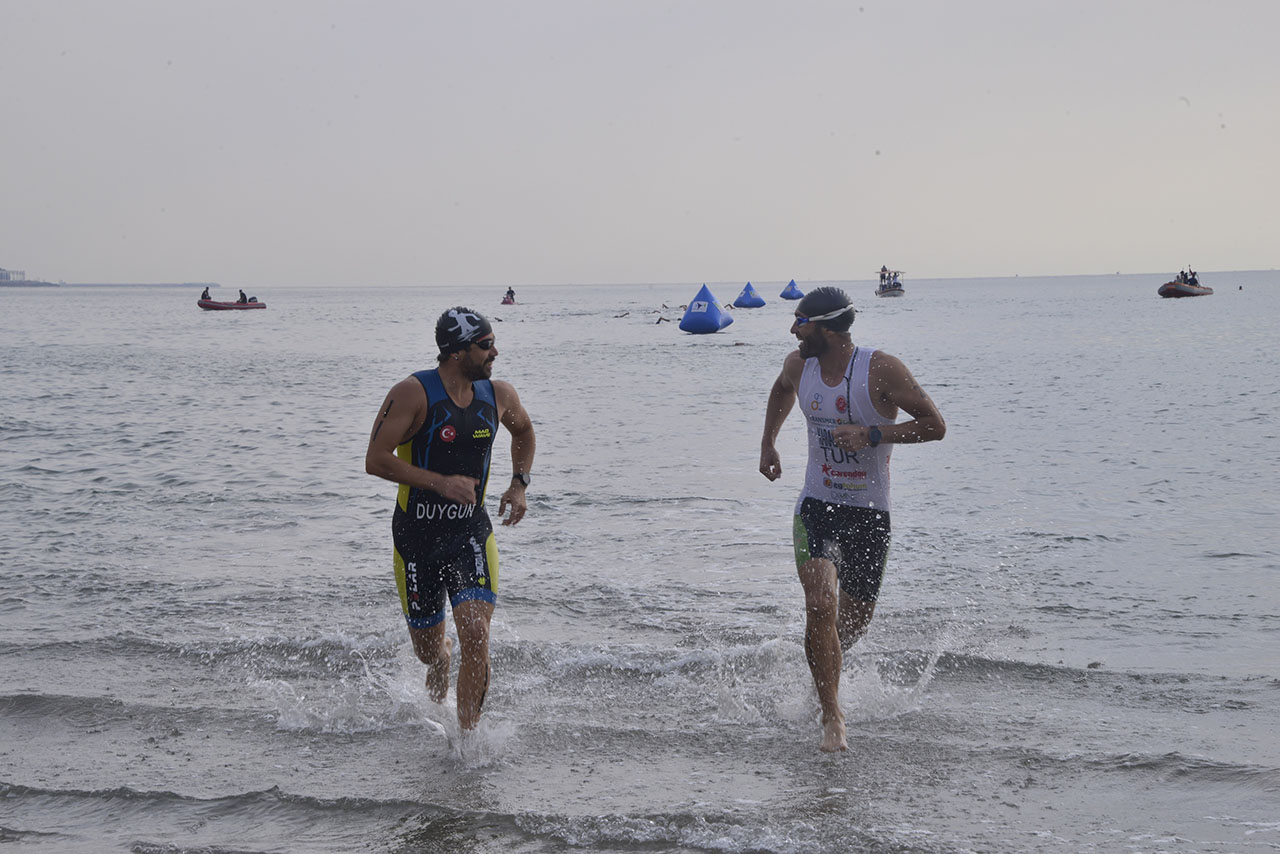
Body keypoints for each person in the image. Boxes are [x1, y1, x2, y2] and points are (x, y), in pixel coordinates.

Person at [758, 286, 945, 752]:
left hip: (868, 512)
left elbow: (934, 426)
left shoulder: (881, 369)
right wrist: (768, 443)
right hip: (816, 506)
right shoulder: (798, 365)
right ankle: (832, 717)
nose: (793, 329)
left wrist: (872, 433)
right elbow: (782, 391)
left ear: (827, 328)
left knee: (852, 626)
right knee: (820, 604)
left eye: (800, 321)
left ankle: (822, 675)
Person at [365, 306, 536, 731]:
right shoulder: (412, 394)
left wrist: (519, 484)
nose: (495, 351)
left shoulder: (498, 395)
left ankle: (467, 744)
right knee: (428, 650)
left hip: (469, 533)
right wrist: (440, 483)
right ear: (457, 353)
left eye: (493, 341)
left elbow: (524, 433)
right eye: (485, 345)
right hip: (416, 536)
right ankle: (440, 656)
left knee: (476, 634)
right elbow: (375, 460)